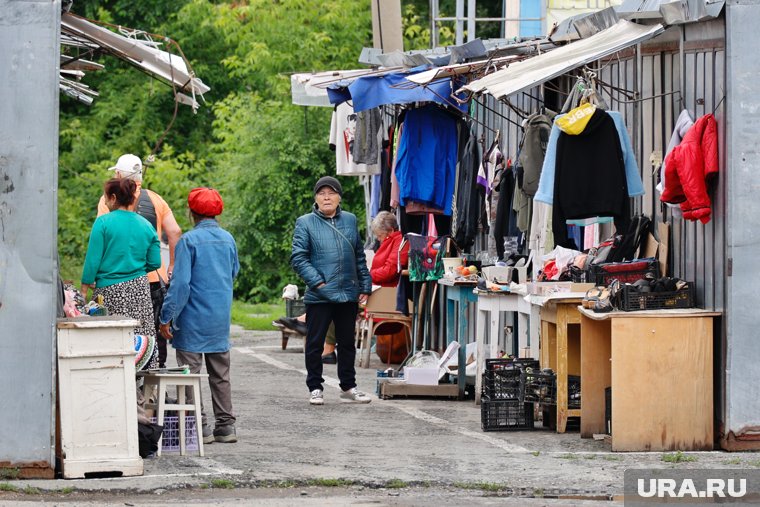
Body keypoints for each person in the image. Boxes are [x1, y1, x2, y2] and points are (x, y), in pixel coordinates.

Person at [158, 187, 240, 444]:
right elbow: (233, 272)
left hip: (192, 320)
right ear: (219, 212)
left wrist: (166, 316)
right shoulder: (228, 239)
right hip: (218, 318)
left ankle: (199, 427)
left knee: (190, 375)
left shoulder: (188, 242)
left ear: (191, 212)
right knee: (220, 374)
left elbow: (181, 285)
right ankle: (226, 427)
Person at [291, 176, 373, 405]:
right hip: (320, 295)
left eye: (331, 193)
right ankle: (315, 387)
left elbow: (359, 255)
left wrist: (365, 285)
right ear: (316, 198)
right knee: (315, 342)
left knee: (347, 342)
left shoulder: (350, 220)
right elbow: (299, 258)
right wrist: (319, 284)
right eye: (321, 193)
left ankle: (348, 386)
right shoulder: (305, 222)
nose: (326, 197)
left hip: (348, 292)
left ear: (339, 197)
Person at [98, 154, 182, 368]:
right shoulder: (155, 198)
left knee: (120, 333)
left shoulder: (109, 199)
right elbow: (175, 232)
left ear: (118, 174)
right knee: (154, 334)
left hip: (118, 280)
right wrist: (172, 264)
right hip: (155, 279)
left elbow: (101, 235)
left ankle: (126, 387)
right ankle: (154, 390)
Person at [81, 178, 161, 370]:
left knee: (109, 340)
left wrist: (84, 288)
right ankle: (140, 390)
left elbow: (93, 260)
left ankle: (112, 383)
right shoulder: (145, 225)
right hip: (140, 291)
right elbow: (155, 262)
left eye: (106, 198)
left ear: (114, 197)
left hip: (108, 291)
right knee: (139, 338)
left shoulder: (103, 223)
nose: (105, 202)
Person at [369, 211, 408, 287]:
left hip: (389, 289)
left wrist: (368, 275)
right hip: (382, 286)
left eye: (380, 235)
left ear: (391, 231)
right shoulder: (392, 241)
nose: (379, 239)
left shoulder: (399, 241)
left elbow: (390, 271)